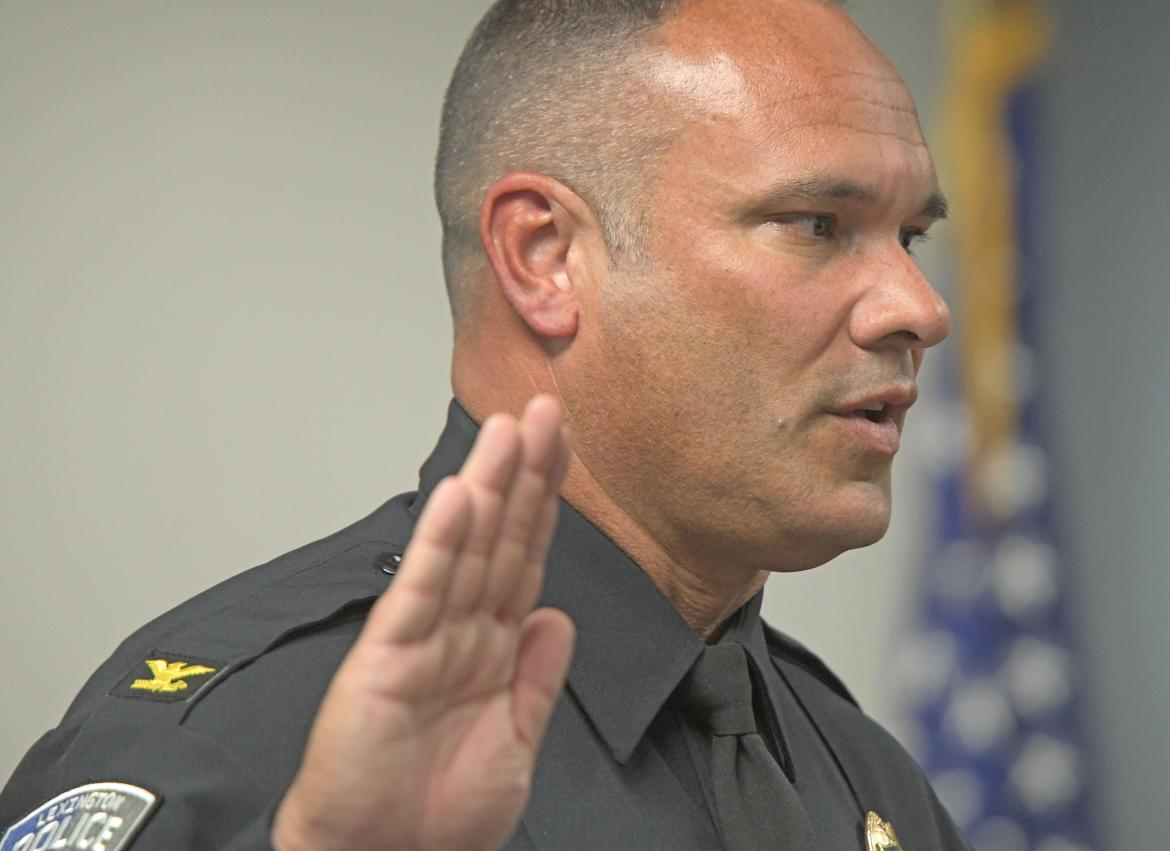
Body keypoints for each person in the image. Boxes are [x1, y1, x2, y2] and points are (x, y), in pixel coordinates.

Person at [0, 0, 971, 848]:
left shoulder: (864, 776)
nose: (919, 306)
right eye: (816, 224)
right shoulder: (248, 741)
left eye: (912, 237)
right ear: (545, 254)